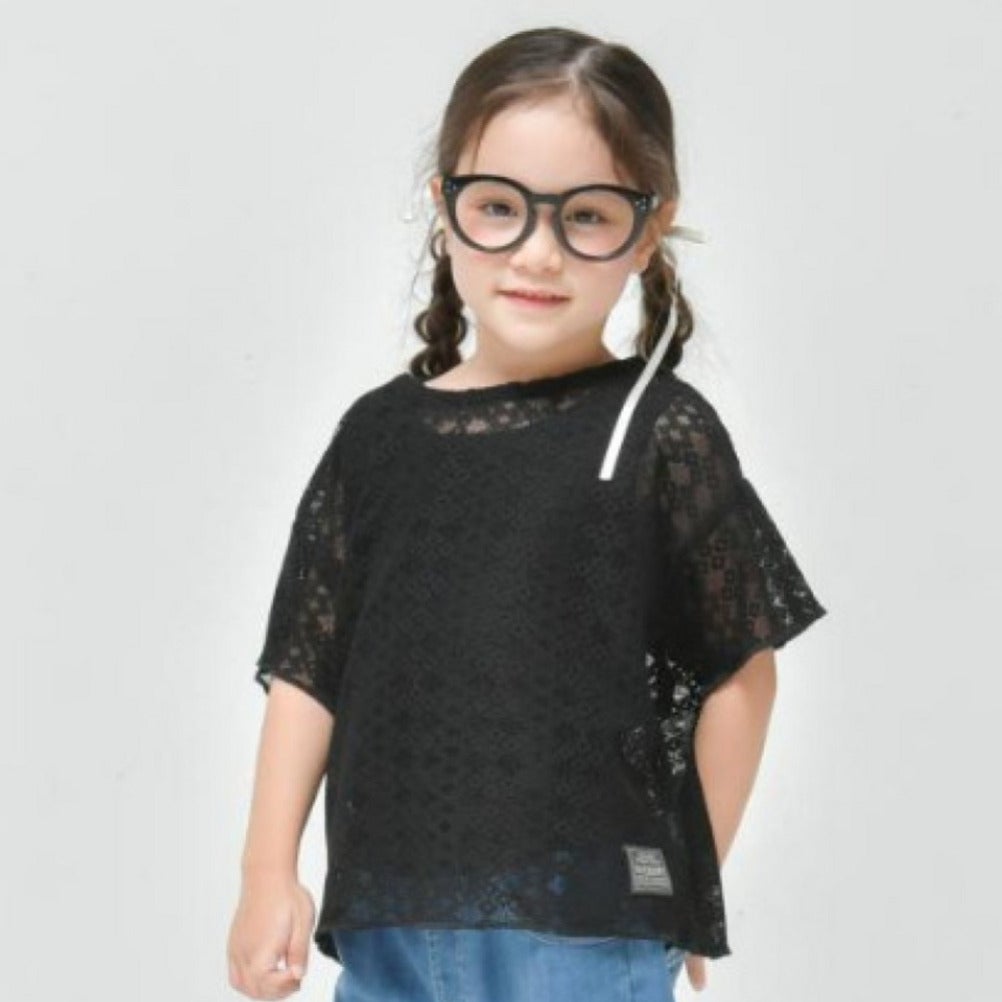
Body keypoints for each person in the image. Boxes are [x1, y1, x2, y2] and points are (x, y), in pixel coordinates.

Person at [227, 25, 827, 1002]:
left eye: (586, 216)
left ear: (649, 229)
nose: (538, 253)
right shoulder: (377, 437)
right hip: (389, 928)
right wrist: (267, 873)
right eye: (500, 207)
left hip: (581, 935)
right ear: (445, 208)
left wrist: (683, 889)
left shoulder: (659, 432)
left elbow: (740, 672)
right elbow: (308, 669)